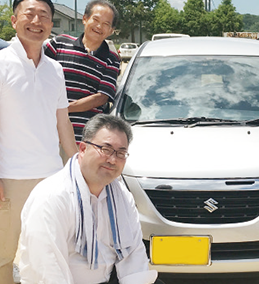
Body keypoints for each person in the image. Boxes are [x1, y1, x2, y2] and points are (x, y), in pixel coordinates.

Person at [19, 114, 158, 283]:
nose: (112, 160)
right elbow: (48, 270)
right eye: (105, 150)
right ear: (83, 149)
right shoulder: (52, 197)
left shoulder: (121, 195)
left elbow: (134, 256)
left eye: (121, 153)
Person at [0, 0, 78, 283]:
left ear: (51, 24)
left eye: (44, 16)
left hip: (50, 178)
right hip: (10, 180)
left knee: (49, 254)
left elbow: (63, 122)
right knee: (4, 257)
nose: (37, 21)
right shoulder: (2, 64)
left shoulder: (55, 69)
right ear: (14, 21)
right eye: (29, 14)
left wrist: (74, 168)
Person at [46, 0, 120, 143]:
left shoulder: (112, 59)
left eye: (106, 24)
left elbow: (101, 97)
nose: (99, 26)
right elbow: (38, 74)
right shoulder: (59, 44)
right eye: (96, 19)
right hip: (49, 133)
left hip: (84, 137)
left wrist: (64, 109)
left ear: (111, 31)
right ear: (85, 19)